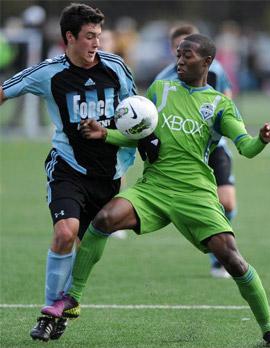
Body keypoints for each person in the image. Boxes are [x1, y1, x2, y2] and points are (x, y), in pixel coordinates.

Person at [43, 34, 270, 348]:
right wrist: (105, 133)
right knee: (104, 219)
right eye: (177, 54)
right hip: (154, 188)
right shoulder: (161, 90)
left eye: (187, 55)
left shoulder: (219, 104)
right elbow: (137, 135)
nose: (180, 60)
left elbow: (245, 147)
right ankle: (72, 298)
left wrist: (262, 139)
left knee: (233, 260)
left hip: (196, 193)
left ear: (206, 62)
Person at [0, 3, 159, 342]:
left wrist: (149, 146)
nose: (96, 44)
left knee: (84, 247)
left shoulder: (115, 67)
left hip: (111, 174)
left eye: (99, 36)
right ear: (69, 38)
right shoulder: (48, 72)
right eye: (89, 37)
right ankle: (48, 312)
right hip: (68, 168)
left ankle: (64, 308)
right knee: (64, 234)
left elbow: (136, 114)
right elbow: (5, 90)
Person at [155, 23, 235, 278]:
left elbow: (227, 96)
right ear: (173, 48)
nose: (183, 55)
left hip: (214, 146)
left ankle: (220, 255)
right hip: (183, 150)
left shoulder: (216, 70)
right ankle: (217, 253)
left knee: (227, 201)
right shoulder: (164, 80)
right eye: (179, 49)